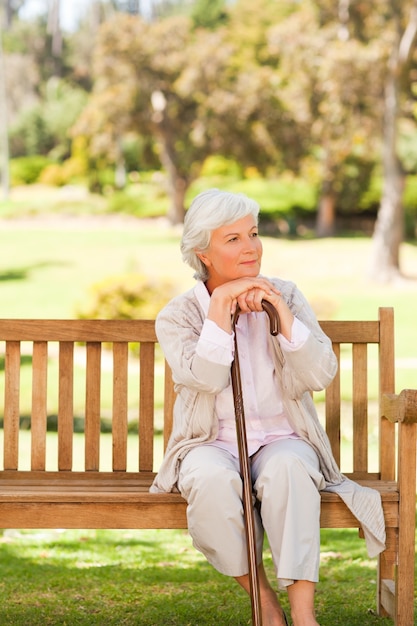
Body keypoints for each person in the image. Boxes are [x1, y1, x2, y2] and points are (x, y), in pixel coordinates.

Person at [150, 189, 385, 626]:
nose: (252, 247)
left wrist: (279, 312)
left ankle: (304, 615)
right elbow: (206, 378)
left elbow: (319, 374)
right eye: (233, 239)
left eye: (253, 234)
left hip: (283, 437)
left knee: (290, 471)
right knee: (208, 481)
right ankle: (265, 604)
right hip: (211, 441)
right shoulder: (179, 315)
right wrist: (221, 308)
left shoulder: (287, 294)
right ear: (203, 253)